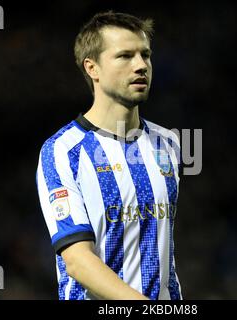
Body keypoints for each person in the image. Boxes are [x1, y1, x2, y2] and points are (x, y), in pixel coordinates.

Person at [36, 11, 182, 300]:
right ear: (93, 68)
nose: (141, 65)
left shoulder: (168, 143)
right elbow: (78, 261)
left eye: (145, 55)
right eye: (125, 56)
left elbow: (162, 247)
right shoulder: (62, 151)